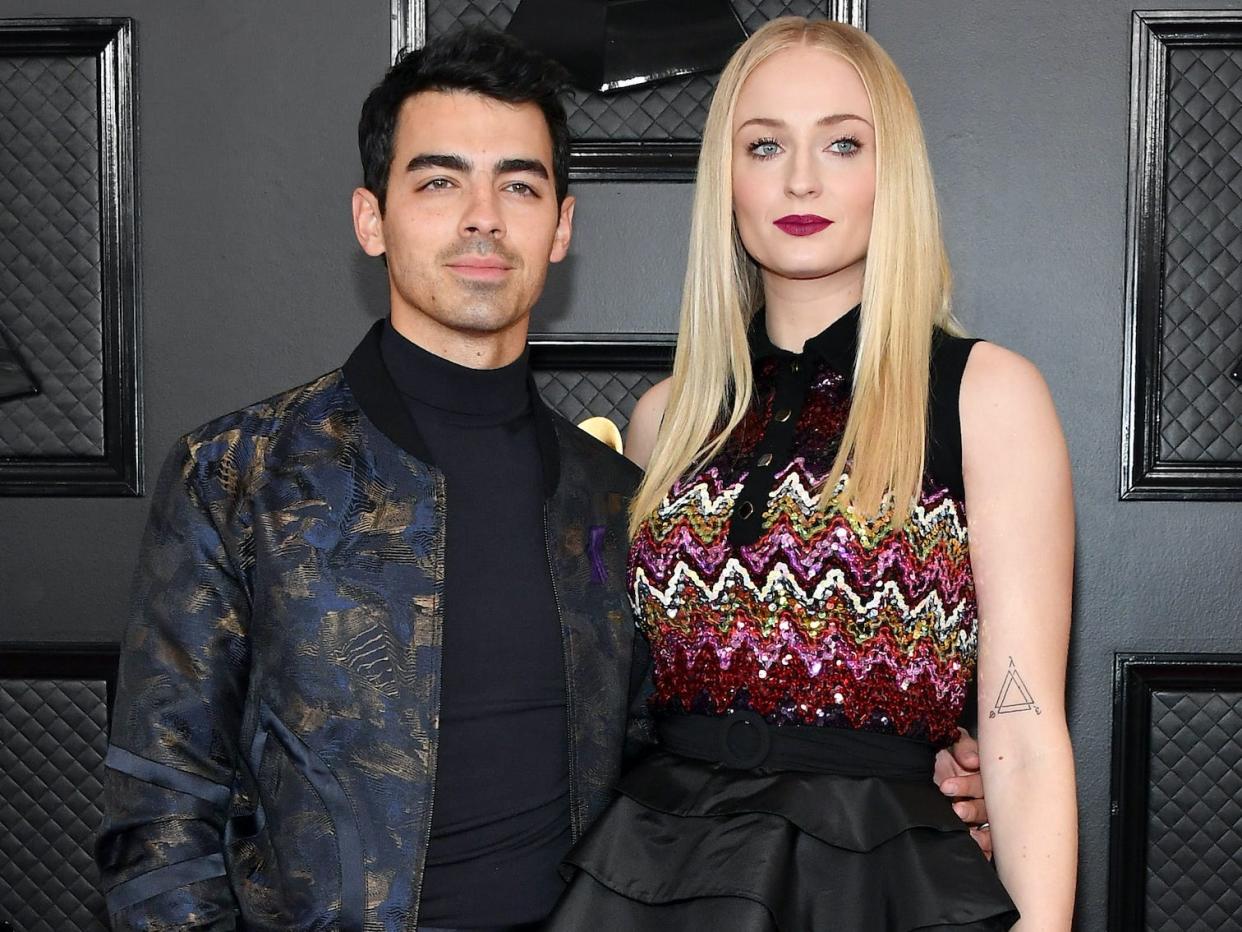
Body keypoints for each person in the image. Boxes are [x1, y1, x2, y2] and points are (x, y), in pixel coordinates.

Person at [95, 26, 996, 932]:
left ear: (561, 226)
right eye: (440, 180)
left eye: (519, 185)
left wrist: (926, 765)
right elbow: (160, 816)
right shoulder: (240, 474)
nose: (483, 216)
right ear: (371, 217)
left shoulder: (616, 489)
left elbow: (690, 741)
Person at [547, 17, 1077, 932]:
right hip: (661, 875)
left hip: (877, 885)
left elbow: (1023, 736)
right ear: (729, 181)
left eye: (841, 142)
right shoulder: (664, 420)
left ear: (894, 172)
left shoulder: (986, 395)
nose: (801, 178)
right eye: (765, 145)